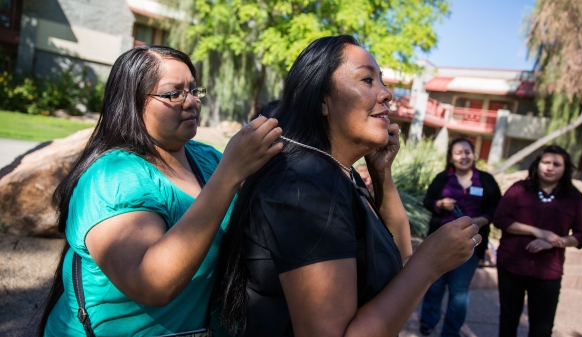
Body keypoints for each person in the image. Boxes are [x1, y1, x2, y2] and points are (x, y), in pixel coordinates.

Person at [216, 35, 482, 337]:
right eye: (367, 80)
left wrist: (382, 175)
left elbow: (399, 253)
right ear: (321, 101)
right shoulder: (305, 186)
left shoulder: (341, 173)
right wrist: (429, 264)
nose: (387, 94)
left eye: (381, 80)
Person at [37, 45, 282, 336]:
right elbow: (152, 284)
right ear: (132, 102)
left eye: (193, 90)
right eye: (173, 93)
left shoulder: (206, 158)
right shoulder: (112, 177)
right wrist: (230, 173)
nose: (191, 102)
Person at [493, 145, 582, 337]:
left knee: (542, 326)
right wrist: (538, 232)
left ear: (565, 169)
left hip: (548, 270)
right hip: (512, 264)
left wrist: (555, 241)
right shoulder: (519, 189)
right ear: (538, 164)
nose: (550, 167)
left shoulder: (574, 198)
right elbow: (500, 219)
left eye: (556, 164)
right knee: (508, 318)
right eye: (546, 162)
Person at [418, 138, 502, 336]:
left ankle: (450, 332)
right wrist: (440, 204)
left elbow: (497, 208)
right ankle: (427, 323)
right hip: (440, 242)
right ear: (451, 157)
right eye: (458, 153)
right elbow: (428, 201)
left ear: (473, 155)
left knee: (459, 290)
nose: (463, 156)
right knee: (435, 284)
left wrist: (482, 219)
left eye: (467, 152)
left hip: (471, 244)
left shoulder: (486, 180)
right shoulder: (442, 178)